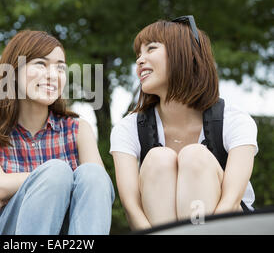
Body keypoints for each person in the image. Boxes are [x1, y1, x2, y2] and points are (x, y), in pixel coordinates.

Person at [110, 16, 258, 231]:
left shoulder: (234, 120)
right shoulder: (128, 128)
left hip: (228, 228)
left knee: (194, 155)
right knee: (158, 159)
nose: (140, 60)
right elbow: (132, 209)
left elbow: (231, 202)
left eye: (151, 49)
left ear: (185, 55)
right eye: (138, 54)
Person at [0, 30, 115, 235]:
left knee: (93, 174)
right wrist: (49, 179)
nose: (53, 75)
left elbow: (97, 190)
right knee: (56, 171)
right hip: (0, 228)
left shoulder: (78, 129)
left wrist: (27, 187)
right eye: (41, 64)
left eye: (60, 67)